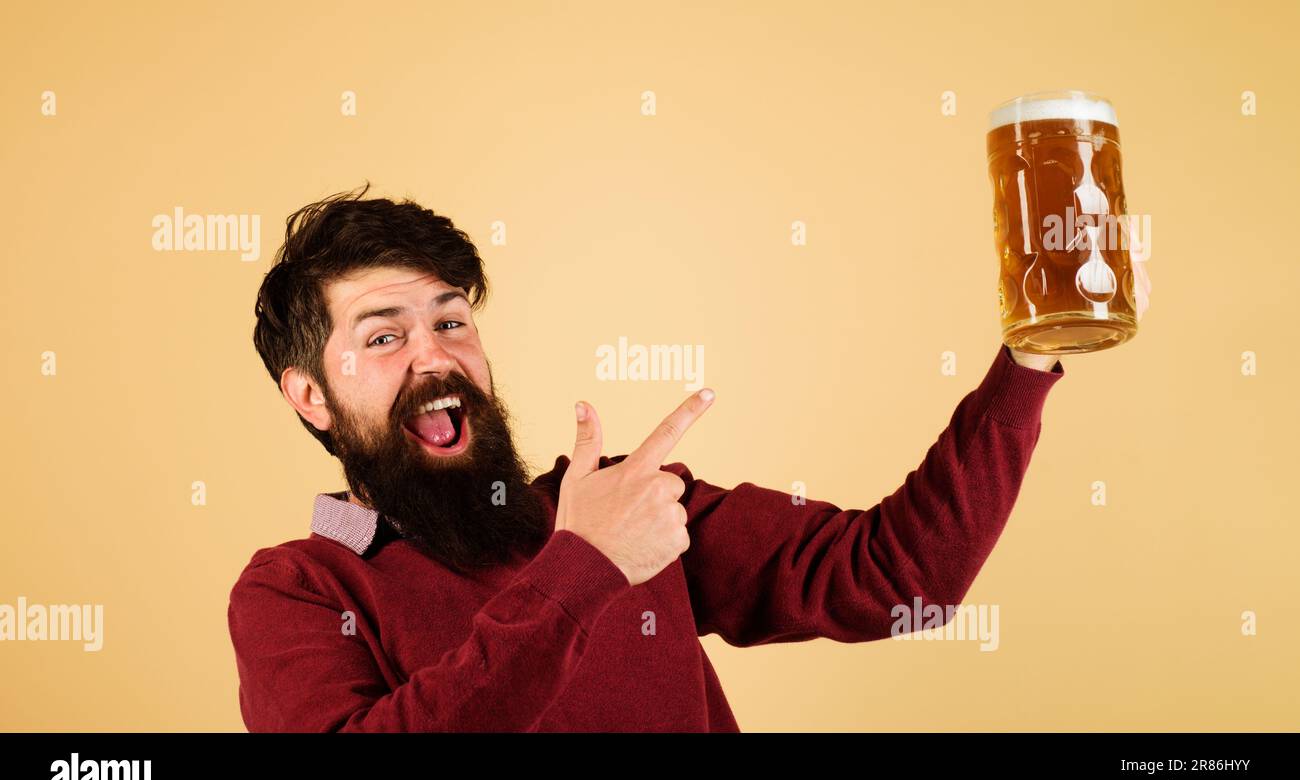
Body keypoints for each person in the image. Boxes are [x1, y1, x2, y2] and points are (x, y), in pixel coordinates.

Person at [227, 184, 1151, 732]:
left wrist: (1032, 354)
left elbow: (901, 577)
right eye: (384, 337)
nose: (436, 355)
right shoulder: (301, 587)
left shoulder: (629, 503)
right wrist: (584, 570)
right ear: (310, 394)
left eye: (451, 320)